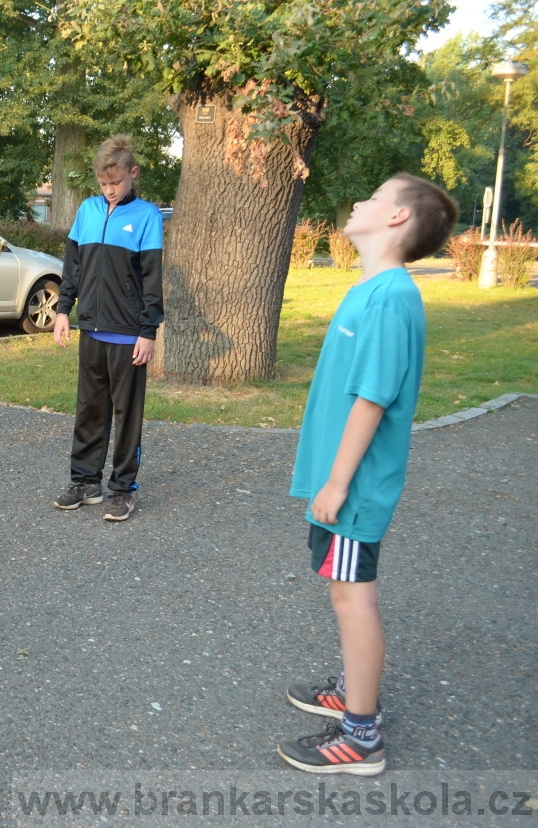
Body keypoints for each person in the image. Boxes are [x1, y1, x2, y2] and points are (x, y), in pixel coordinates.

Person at [279, 173, 457, 776]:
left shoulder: (391, 298)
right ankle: (356, 689)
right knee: (340, 589)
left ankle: (361, 736)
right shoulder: (369, 287)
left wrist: (336, 482)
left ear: (398, 219)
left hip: (354, 489)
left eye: (375, 198)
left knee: (354, 597)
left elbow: (372, 399)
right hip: (343, 482)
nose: (359, 201)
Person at [52, 135, 164, 521]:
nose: (109, 190)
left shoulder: (148, 216)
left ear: (132, 173)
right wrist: (64, 310)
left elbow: (152, 279)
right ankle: (85, 482)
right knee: (89, 409)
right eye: (103, 184)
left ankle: (123, 488)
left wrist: (148, 331)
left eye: (115, 183)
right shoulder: (88, 210)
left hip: (129, 334)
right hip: (92, 329)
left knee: (126, 413)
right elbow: (74, 266)